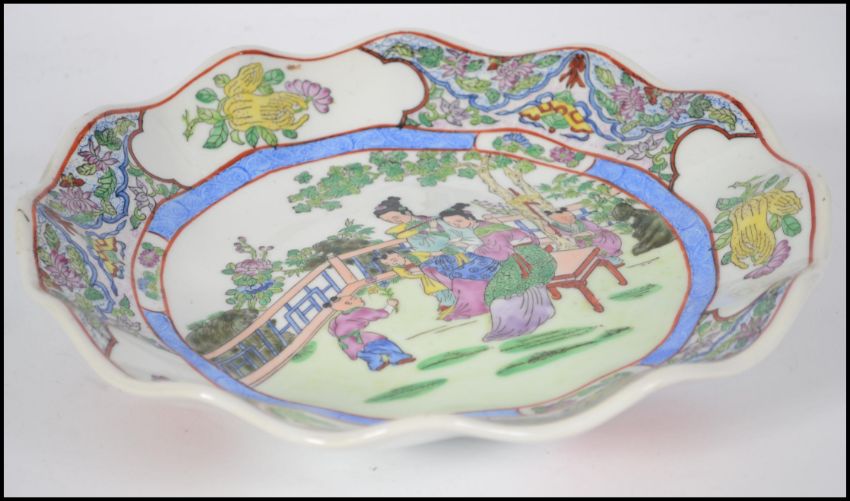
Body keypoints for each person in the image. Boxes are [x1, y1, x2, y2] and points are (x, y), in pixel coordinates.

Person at [439, 203, 557, 341]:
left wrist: (468, 246)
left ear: (470, 218)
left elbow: (500, 253)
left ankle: (512, 327)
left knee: (500, 289)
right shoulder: (481, 226)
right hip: (522, 255)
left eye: (458, 221)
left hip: (527, 259)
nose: (456, 225)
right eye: (451, 224)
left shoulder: (488, 231)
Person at [373, 197, 498, 320]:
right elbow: (428, 247)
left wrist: (441, 238)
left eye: (395, 217)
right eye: (389, 221)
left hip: (465, 250)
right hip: (444, 256)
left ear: (406, 212)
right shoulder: (408, 231)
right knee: (434, 274)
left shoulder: (430, 221)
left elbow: (453, 237)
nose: (395, 222)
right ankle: (461, 302)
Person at [324, 295, 415, 371]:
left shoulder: (338, 318)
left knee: (366, 353)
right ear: (348, 303)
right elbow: (377, 314)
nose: (359, 298)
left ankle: (376, 363)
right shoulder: (358, 311)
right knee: (384, 344)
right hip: (360, 339)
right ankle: (398, 357)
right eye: (354, 298)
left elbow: (331, 331)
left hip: (347, 345)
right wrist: (390, 306)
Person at [374, 251, 456, 319]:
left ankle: (449, 308)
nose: (392, 262)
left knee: (449, 292)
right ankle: (447, 310)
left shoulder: (413, 255)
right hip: (430, 283)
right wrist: (424, 271)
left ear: (397, 255)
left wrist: (440, 256)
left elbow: (431, 254)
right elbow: (409, 275)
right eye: (387, 263)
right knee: (443, 295)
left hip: (442, 272)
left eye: (392, 259)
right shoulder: (398, 268)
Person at [545, 207, 624, 265]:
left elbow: (596, 230)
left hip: (600, 239)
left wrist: (587, 234)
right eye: (563, 218)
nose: (570, 217)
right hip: (583, 245)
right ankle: (608, 256)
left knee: (605, 244)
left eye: (570, 215)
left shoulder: (582, 223)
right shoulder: (561, 229)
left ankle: (610, 256)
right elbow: (565, 238)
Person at [610, 202, 675, 255]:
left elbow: (653, 215)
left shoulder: (642, 208)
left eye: (622, 211)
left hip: (663, 227)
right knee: (656, 227)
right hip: (658, 231)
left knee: (658, 223)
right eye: (621, 213)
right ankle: (645, 245)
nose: (623, 213)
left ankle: (646, 246)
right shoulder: (635, 220)